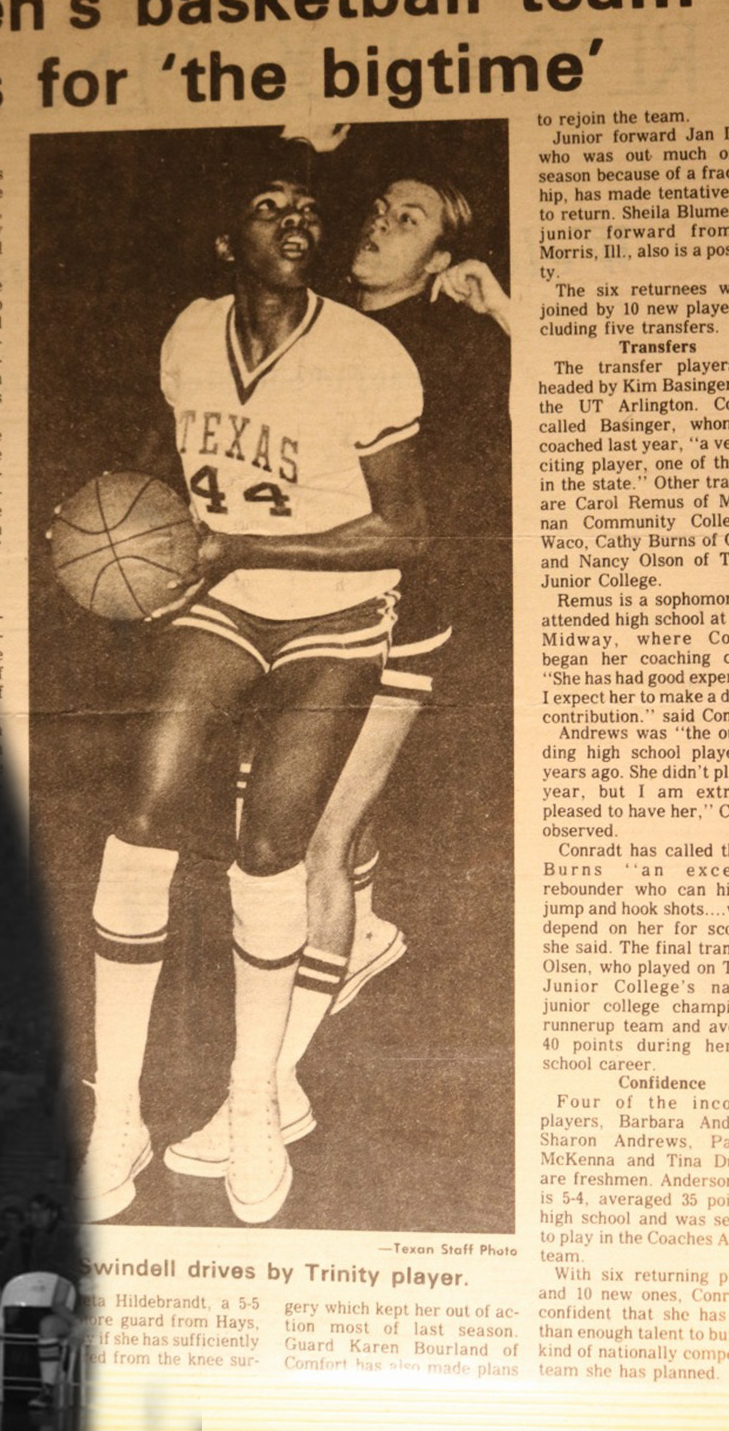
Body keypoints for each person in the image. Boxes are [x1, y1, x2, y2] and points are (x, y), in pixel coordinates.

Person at [78, 168, 426, 1226]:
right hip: (220, 604)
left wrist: (241, 547)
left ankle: (251, 1099)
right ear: (228, 243)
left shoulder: (370, 356)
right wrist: (123, 530)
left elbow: (406, 531)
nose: (298, 221)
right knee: (140, 823)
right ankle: (119, 1117)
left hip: (337, 616)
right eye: (270, 207)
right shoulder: (189, 334)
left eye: (311, 211)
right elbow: (169, 460)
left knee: (270, 849)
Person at [169, 174, 510, 1179]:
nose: (376, 224)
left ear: (445, 263)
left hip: (401, 615)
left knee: (310, 840)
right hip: (284, 609)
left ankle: (267, 1093)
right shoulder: (314, 330)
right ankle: (360, 929)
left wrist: (508, 309)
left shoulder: (456, 343)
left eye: (410, 223)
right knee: (286, 830)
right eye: (379, 210)